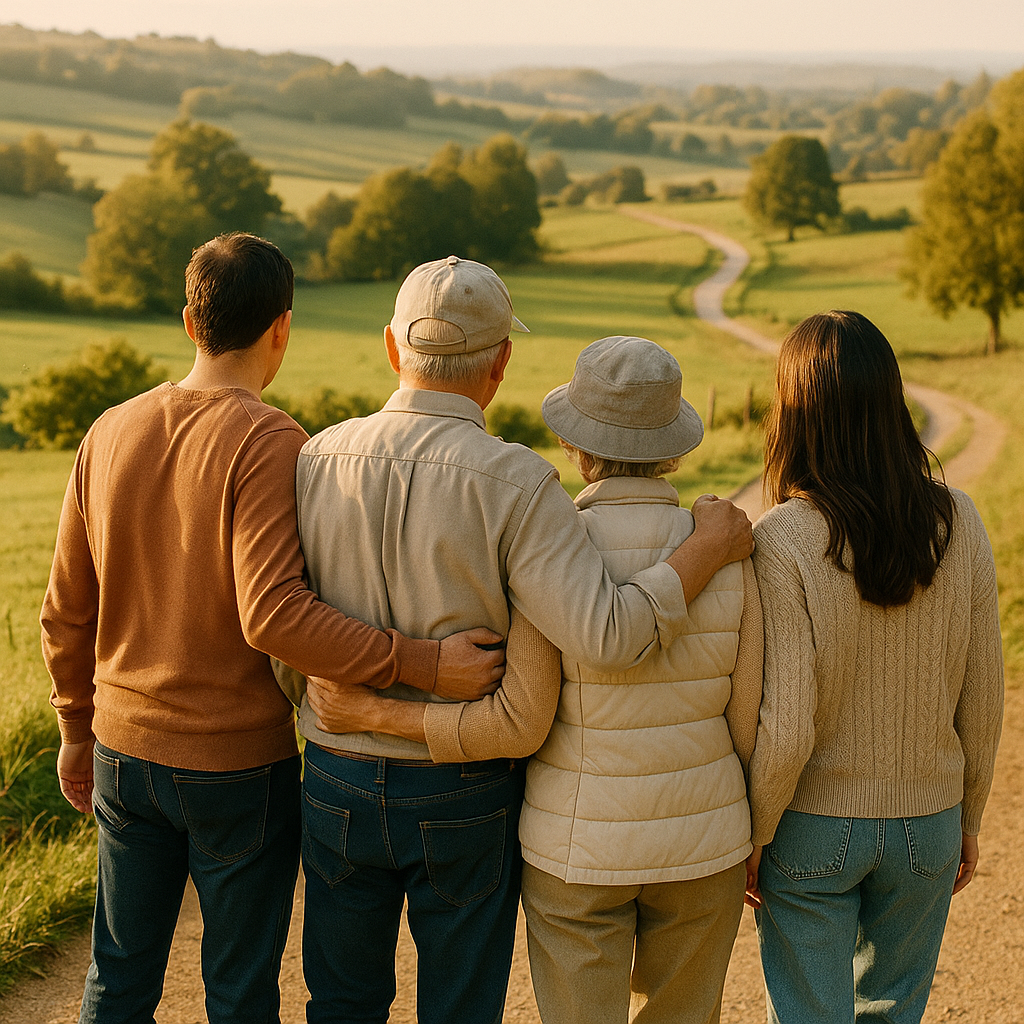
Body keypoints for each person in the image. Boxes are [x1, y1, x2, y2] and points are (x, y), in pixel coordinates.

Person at [39, 233, 502, 1024]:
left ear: (191, 320)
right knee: (238, 988)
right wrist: (422, 661)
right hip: (233, 770)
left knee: (117, 976)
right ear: (282, 328)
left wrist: (74, 729)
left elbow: (65, 606)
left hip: (121, 750)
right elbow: (275, 615)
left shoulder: (108, 429)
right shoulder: (268, 439)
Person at [285, 256, 754, 1024]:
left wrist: (341, 704)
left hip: (334, 768)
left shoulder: (313, 456)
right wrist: (702, 549)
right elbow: (606, 633)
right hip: (460, 788)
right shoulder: (519, 483)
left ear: (391, 347)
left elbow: (283, 619)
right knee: (461, 1006)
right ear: (501, 362)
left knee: (340, 999)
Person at [744, 310, 1004, 1024]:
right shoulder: (960, 519)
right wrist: (969, 816)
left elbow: (788, 721)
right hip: (930, 820)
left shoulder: (783, 537)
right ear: (893, 403)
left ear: (794, 414)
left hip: (811, 828)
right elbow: (984, 697)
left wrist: (757, 832)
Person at [513, 336, 763, 1024]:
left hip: (576, 845)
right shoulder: (732, 546)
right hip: (704, 839)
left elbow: (530, 706)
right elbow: (747, 712)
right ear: (675, 450)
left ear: (576, 448)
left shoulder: (548, 547)